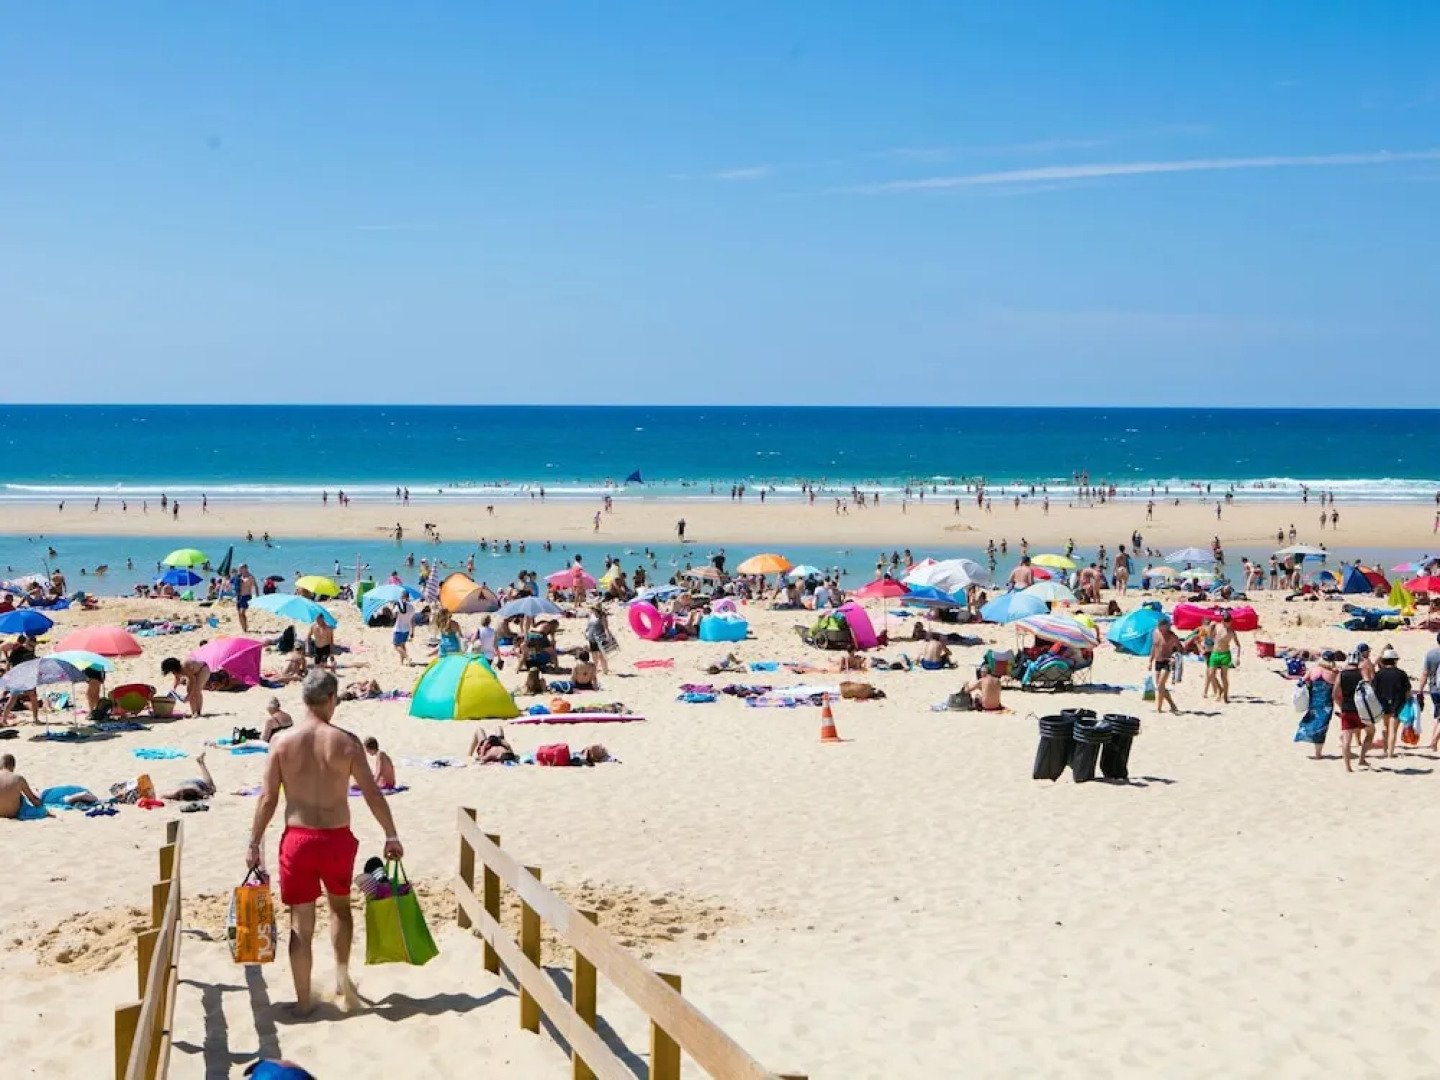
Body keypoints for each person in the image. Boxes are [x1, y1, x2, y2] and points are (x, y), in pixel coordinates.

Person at [246, 669, 403, 1015]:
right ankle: (342, 984)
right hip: (336, 839)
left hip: (298, 840)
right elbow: (373, 794)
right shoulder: (346, 742)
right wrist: (390, 834)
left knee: (300, 922)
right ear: (331, 699)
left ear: (304, 699)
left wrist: (254, 843)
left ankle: (304, 1003)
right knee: (339, 909)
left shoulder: (282, 742)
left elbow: (268, 799)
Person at [1294, 654, 1338, 760]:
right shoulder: (1334, 673)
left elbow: (1301, 682)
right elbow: (1338, 690)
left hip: (1314, 702)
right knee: (1322, 727)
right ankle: (1318, 753)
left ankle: (1306, 737)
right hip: (1327, 704)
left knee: (1310, 721)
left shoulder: (1313, 670)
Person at [1372, 645, 1412, 759]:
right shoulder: (1401, 674)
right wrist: (1410, 702)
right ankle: (1390, 753)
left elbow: (1374, 690)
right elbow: (1407, 691)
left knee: (1385, 727)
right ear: (1395, 660)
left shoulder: (1379, 674)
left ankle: (1385, 749)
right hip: (1397, 703)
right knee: (1393, 728)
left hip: (1382, 702)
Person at [1336, 653, 1374, 772]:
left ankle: (1348, 767)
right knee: (1371, 732)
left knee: (1347, 739)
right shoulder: (1361, 673)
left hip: (1347, 709)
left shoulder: (1341, 674)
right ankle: (1362, 758)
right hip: (1361, 709)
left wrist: (1341, 706)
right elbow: (1369, 687)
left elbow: (1335, 694)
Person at [1149, 616, 1182, 714]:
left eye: (1162, 628)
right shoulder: (1155, 633)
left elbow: (1180, 648)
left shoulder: (1172, 636)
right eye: (1159, 628)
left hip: (1167, 661)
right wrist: (1150, 661)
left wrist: (1174, 658)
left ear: (1166, 627)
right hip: (1158, 661)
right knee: (1160, 687)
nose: (1161, 630)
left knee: (1160, 685)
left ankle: (1161, 708)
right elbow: (1154, 647)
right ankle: (1169, 706)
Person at [1206, 612, 1241, 704]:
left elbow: (1238, 645)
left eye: (1228, 622)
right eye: (1225, 621)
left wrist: (1237, 657)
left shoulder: (1231, 632)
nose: (1226, 623)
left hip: (1225, 654)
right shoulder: (1217, 627)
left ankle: (1225, 696)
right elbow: (1210, 637)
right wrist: (1210, 628)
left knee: (1223, 676)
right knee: (1211, 674)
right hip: (1215, 652)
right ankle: (1220, 689)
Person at [0, 753, 47, 819]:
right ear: (13, 766)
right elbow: (32, 799)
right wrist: (43, 808)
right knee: (20, 796)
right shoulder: (18, 779)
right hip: (13, 813)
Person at [584, 605, 612, 676]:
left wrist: (608, 637)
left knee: (601, 655)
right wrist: (585, 632)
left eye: (593, 608)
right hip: (591, 638)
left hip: (600, 638)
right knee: (594, 655)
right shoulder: (591, 615)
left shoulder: (602, 616)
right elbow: (588, 626)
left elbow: (605, 628)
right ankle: (595, 670)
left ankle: (605, 671)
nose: (592, 610)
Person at [236, 564, 258, 633]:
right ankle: (243, 629)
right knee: (239, 613)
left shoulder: (250, 577)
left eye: (240, 568)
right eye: (239, 568)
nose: (239, 570)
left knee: (242, 612)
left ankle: (245, 628)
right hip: (239, 596)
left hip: (247, 596)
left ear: (245, 568)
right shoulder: (239, 577)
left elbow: (256, 586)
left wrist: (257, 596)